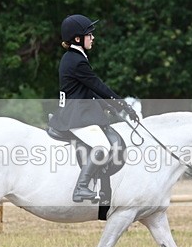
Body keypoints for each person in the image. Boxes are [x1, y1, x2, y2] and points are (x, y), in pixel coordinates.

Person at [48, 14, 139, 203]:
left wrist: (109, 106)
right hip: (76, 117)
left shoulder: (74, 57)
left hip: (78, 112)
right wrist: (122, 103)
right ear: (77, 38)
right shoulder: (76, 60)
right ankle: (81, 187)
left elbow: (88, 90)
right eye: (89, 34)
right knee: (103, 146)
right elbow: (98, 86)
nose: (93, 38)